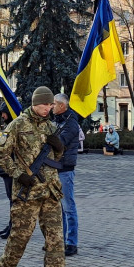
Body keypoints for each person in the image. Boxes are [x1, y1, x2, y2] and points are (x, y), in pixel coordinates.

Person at [0, 87, 76, 267]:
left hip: (50, 192)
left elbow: (55, 157)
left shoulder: (50, 125)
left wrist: (59, 149)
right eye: (44, 105)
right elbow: (0, 154)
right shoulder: (18, 125)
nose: (48, 108)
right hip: (27, 194)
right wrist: (18, 173)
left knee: (56, 242)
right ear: (35, 103)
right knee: (19, 241)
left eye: (50, 105)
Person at [52, 93, 80, 257]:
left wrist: (47, 137)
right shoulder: (58, 121)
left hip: (65, 169)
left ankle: (71, 243)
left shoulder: (70, 124)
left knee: (68, 207)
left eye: (54, 104)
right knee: (57, 208)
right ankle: (58, 240)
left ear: (63, 106)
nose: (51, 106)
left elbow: (59, 144)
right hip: (55, 168)